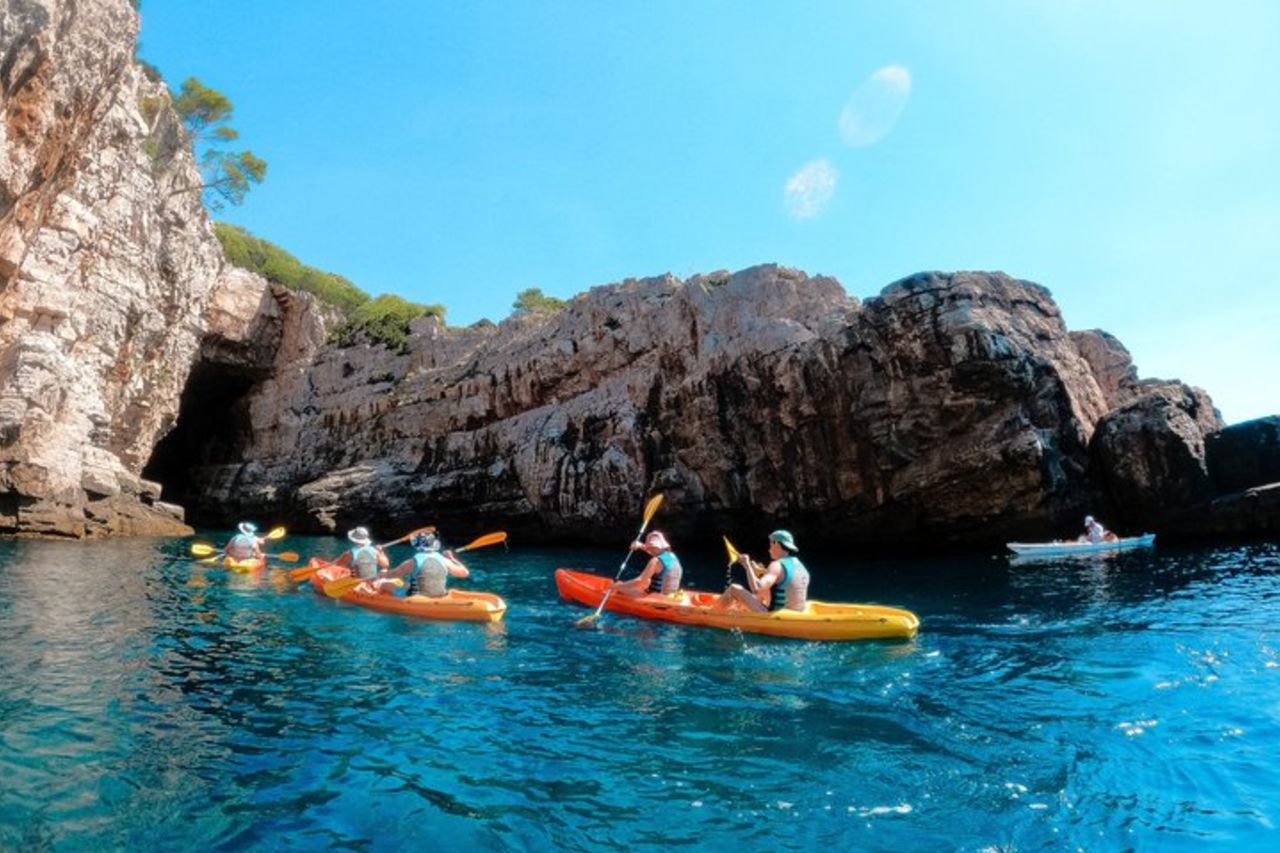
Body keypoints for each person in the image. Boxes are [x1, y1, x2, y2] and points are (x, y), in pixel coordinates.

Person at [713, 530, 810, 613]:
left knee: (734, 588)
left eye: (770, 544)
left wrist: (747, 566)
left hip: (775, 615)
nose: (769, 549)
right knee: (766, 587)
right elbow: (785, 578)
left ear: (776, 543)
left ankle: (711, 613)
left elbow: (756, 588)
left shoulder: (776, 565)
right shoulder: (799, 565)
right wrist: (761, 571)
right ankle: (741, 608)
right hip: (796, 612)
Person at [367, 531, 469, 597]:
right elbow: (465, 573)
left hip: (417, 596)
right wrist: (452, 558)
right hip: (441, 594)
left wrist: (381, 574)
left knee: (385, 584)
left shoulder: (412, 562)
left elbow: (393, 574)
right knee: (401, 582)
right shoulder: (445, 560)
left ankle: (374, 593)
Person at [608, 531, 683, 597]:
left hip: (657, 599)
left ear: (654, 547)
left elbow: (639, 581)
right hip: (671, 596)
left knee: (621, 587)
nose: (649, 549)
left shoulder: (655, 561)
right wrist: (640, 546)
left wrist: (618, 586)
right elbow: (653, 551)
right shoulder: (671, 555)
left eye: (650, 547)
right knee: (647, 581)